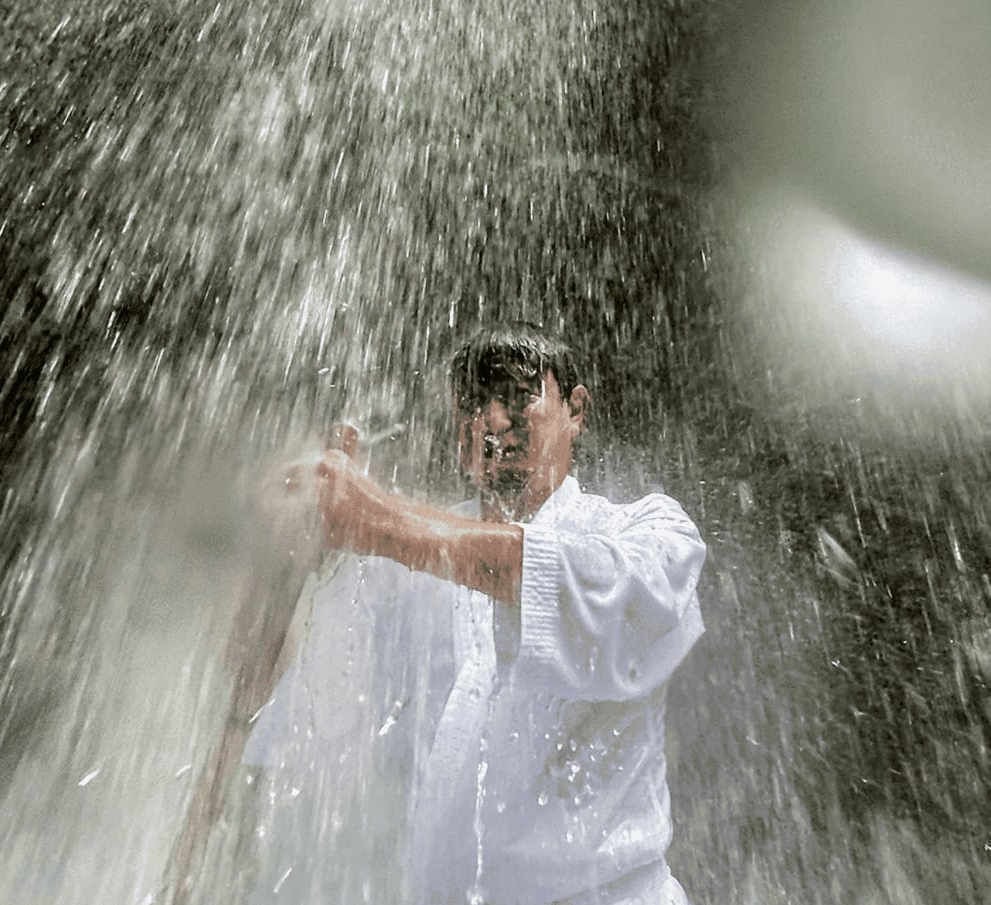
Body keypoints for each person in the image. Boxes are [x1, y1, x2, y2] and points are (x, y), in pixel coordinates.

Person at [241, 323, 707, 905]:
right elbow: (302, 715)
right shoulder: (396, 567)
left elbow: (578, 592)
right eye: (472, 404)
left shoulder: (649, 534)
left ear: (577, 410)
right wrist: (290, 553)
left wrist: (377, 521)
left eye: (516, 394)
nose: (492, 420)